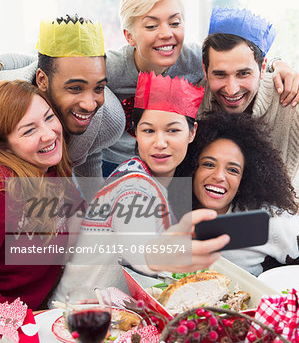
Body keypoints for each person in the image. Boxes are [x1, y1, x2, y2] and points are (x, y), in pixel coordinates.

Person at [1, 0, 298, 177]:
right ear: (129, 35)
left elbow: (241, 59)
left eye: (175, 22)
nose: (166, 33)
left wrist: (277, 66)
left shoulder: (197, 59)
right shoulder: (109, 68)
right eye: (151, 25)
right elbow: (41, 62)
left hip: (170, 163)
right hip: (112, 164)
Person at [52, 72, 230, 301]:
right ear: (135, 133)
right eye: (148, 130)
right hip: (74, 316)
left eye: (172, 130)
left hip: (111, 314)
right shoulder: (134, 185)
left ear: (192, 132)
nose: (160, 143)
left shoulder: (152, 179)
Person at [0, 15, 125, 199]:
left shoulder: (109, 121)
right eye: (75, 88)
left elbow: (88, 154)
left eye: (99, 87)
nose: (89, 104)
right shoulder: (8, 102)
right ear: (41, 80)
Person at [185, 111, 298, 276]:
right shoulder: (172, 210)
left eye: (232, 170)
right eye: (209, 164)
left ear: (244, 179)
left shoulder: (268, 221)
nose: (219, 176)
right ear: (192, 167)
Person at [199, 7, 299, 189]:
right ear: (205, 71)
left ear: (263, 68)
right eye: (220, 74)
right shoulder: (189, 102)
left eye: (243, 74)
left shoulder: (292, 100)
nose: (231, 90)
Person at [0, 80, 75, 309]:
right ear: (5, 147)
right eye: (29, 130)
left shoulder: (52, 172)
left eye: (49, 117)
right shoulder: (5, 194)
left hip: (41, 312)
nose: (48, 134)